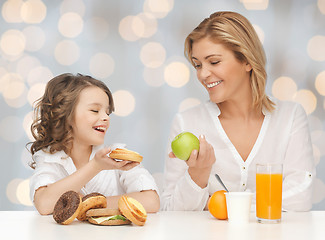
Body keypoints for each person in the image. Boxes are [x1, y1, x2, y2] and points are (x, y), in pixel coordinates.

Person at [161, 11, 315, 211]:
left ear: (247, 60)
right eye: (197, 65)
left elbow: (300, 197)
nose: (203, 74)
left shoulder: (291, 117)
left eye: (214, 62)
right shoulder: (186, 122)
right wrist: (197, 175)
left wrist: (224, 205)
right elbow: (169, 209)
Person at [28, 73, 160, 215]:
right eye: (95, 110)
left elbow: (151, 201)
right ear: (66, 116)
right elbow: (44, 204)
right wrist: (95, 166)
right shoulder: (49, 158)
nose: (105, 118)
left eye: (107, 113)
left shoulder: (117, 155)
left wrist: (87, 203)